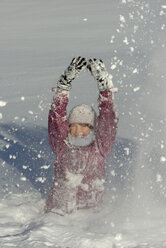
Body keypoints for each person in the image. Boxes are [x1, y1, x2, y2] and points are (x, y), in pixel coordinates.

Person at [45, 57, 118, 214]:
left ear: (92, 129)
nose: (78, 131)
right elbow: (57, 117)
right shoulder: (62, 145)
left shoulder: (100, 148)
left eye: (84, 126)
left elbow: (108, 119)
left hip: (90, 215)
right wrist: (63, 87)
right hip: (58, 215)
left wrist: (105, 90)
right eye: (74, 126)